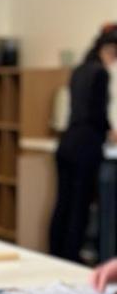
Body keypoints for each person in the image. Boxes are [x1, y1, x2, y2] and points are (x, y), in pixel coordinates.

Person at [50, 28, 117, 263]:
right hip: (86, 146)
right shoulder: (100, 73)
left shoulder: (79, 70)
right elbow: (96, 112)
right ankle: (70, 257)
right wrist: (110, 131)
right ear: (109, 50)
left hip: (68, 142)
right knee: (79, 205)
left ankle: (56, 253)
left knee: (63, 202)